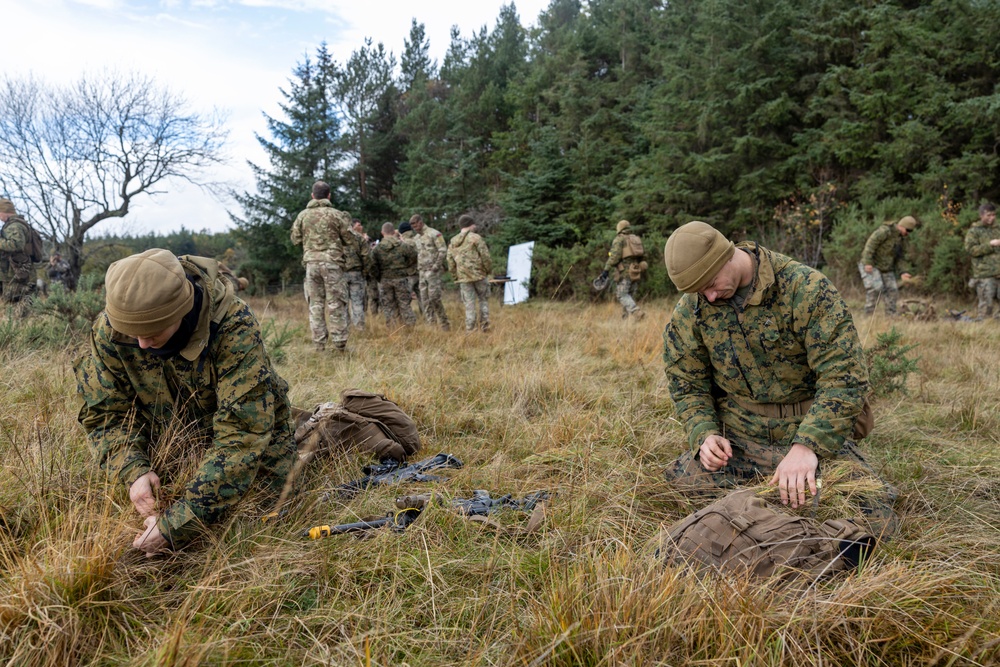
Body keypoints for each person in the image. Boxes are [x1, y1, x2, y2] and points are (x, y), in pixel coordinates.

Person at [662, 221, 897, 538]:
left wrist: (807, 447)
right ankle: (775, 524)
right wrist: (704, 434)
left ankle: (773, 523)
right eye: (699, 290)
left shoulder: (806, 289)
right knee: (679, 481)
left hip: (807, 430)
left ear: (726, 255)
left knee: (875, 517)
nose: (710, 295)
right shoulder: (694, 307)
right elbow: (686, 384)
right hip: (739, 438)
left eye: (711, 282)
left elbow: (844, 379)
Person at [74, 249, 299, 556]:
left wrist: (175, 525)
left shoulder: (232, 324)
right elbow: (105, 414)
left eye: (152, 332)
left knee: (255, 524)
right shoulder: (110, 329)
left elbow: (242, 435)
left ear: (181, 311)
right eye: (132, 333)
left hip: (244, 437)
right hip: (170, 436)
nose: (141, 344)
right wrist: (134, 470)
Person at [290, 181, 354, 352]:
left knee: (315, 304)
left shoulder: (303, 216)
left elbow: (295, 239)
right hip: (332, 263)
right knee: (336, 303)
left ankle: (319, 345)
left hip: (311, 264)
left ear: (312, 195)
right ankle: (340, 344)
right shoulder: (337, 215)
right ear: (329, 195)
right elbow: (350, 239)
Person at [859, 215, 918, 317]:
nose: (907, 233)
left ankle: (891, 316)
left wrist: (903, 272)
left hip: (886, 268)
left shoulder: (901, 240)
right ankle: (868, 316)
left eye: (910, 231)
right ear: (901, 226)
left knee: (893, 289)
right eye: (907, 230)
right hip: (872, 265)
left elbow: (900, 258)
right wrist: (868, 262)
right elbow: (870, 245)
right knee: (876, 288)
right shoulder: (885, 231)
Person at [447, 214, 493, 332]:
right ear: (470, 225)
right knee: (483, 300)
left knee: (469, 304)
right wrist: (488, 270)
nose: (475, 226)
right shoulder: (476, 238)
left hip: (463, 278)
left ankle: (470, 330)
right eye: (474, 224)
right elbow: (485, 256)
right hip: (479, 275)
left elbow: (450, 261)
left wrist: (455, 276)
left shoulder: (453, 241)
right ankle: (485, 327)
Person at [371, 222, 418, 328]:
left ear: (382, 233)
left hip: (385, 279)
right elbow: (414, 255)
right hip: (401, 278)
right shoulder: (402, 245)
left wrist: (379, 277)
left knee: (388, 306)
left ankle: (392, 329)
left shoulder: (377, 249)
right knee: (405, 305)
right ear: (393, 232)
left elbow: (372, 266)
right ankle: (411, 328)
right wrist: (405, 266)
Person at [409, 213, 451, 331]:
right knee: (424, 299)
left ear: (420, 223)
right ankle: (431, 325)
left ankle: (444, 323)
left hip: (433, 272)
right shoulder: (416, 238)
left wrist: (436, 266)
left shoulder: (434, 234)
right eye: (413, 227)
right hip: (422, 272)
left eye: (416, 225)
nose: (415, 228)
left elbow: (443, 250)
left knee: (434, 298)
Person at [599, 219, 646, 320]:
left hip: (625, 272)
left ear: (619, 228)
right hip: (636, 271)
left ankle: (636, 311)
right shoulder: (635, 239)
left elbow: (614, 257)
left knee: (622, 294)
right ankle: (625, 321)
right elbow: (642, 256)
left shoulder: (619, 239)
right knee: (629, 296)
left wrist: (606, 270)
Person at [0, 198, 38, 313]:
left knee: (14, 308)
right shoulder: (19, 224)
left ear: (3, 211)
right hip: (21, 272)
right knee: (23, 307)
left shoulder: (14, 226)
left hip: (16, 274)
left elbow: (16, 245)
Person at [963, 203, 1000, 320]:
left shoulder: (998, 228)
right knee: (986, 307)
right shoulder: (974, 231)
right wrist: (990, 245)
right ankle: (982, 332)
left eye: (994, 215)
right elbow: (971, 250)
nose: (992, 218)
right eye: (989, 215)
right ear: (981, 215)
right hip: (985, 274)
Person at [343, 222, 371, 330]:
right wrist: (365, 272)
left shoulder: (335, 237)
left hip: (341, 274)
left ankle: (345, 328)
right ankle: (359, 328)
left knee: (343, 303)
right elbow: (366, 256)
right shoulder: (359, 237)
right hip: (356, 273)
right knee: (358, 302)